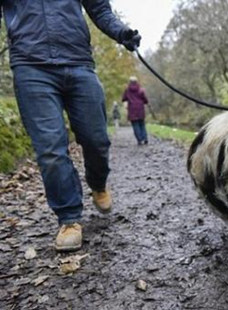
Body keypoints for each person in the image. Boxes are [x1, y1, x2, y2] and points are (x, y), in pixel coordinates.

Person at [0, 0, 141, 252]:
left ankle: (98, 184)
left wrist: (122, 32)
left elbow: (99, 8)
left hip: (78, 62)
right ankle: (69, 218)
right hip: (31, 66)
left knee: (96, 139)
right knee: (50, 149)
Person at [122, 76, 150, 145]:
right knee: (142, 124)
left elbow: (123, 98)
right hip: (140, 109)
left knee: (135, 125)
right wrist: (144, 102)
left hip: (132, 110)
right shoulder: (140, 89)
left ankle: (139, 140)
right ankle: (145, 138)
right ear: (136, 81)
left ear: (130, 82)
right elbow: (145, 100)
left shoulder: (127, 90)